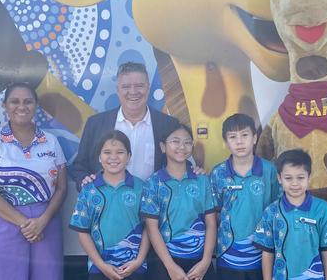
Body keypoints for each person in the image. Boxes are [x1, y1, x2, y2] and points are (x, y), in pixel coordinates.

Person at [0, 82, 67, 280]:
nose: (21, 107)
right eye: (15, 101)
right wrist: (26, 224)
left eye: (28, 101)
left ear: (36, 105)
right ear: (4, 105)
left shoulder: (51, 141)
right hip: (4, 220)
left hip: (45, 222)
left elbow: (62, 188)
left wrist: (41, 221)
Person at [71, 61, 179, 189]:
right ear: (117, 90)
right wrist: (84, 181)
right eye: (126, 87)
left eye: (139, 86)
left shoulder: (169, 125)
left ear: (148, 88)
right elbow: (79, 166)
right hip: (108, 205)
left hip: (152, 205)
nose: (133, 92)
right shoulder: (95, 124)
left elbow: (180, 163)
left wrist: (195, 173)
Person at [69, 130, 149, 280]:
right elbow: (83, 231)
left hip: (135, 268)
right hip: (99, 268)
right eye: (107, 152)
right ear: (99, 157)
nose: (113, 157)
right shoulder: (89, 189)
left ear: (129, 156)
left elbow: (148, 228)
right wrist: (100, 264)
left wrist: (139, 261)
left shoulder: (141, 188)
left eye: (120, 152)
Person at [140, 123, 216, 280]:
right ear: (163, 146)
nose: (182, 146)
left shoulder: (202, 180)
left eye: (187, 142)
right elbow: (152, 228)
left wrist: (206, 261)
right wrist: (170, 266)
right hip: (166, 261)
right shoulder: (153, 183)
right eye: (175, 141)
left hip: (200, 261)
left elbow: (211, 223)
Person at [209, 113, 280, 280]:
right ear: (226, 142)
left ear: (255, 138)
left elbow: (279, 209)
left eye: (245, 135)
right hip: (228, 255)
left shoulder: (270, 171)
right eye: (233, 137)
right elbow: (213, 214)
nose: (239, 141)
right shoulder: (218, 173)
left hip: (263, 255)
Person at [253, 149, 327, 280]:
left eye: (300, 177)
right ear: (279, 178)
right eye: (288, 178)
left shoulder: (322, 209)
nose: (295, 183)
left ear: (309, 177)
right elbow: (267, 252)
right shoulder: (271, 211)